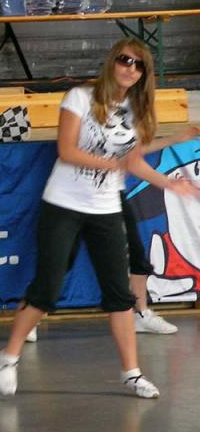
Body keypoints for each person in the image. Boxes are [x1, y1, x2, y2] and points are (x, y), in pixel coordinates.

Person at [0, 38, 200, 399]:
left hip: (105, 208)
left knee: (119, 294)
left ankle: (132, 373)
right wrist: (112, 163)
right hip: (63, 204)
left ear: (144, 74)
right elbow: (67, 150)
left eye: (138, 65)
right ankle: (8, 357)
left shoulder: (138, 111)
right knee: (47, 288)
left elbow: (132, 162)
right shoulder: (80, 97)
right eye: (125, 60)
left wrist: (168, 182)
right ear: (112, 62)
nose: (130, 69)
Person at [24, 124, 200, 342]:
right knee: (59, 262)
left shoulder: (127, 116)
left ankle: (140, 313)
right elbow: (77, 153)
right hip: (75, 198)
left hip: (111, 194)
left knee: (137, 253)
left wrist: (172, 140)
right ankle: (29, 315)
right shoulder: (86, 115)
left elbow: (132, 153)